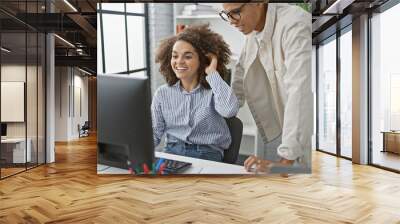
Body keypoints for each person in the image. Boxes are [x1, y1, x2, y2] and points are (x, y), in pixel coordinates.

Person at [220, 3, 313, 173]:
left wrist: (286, 162)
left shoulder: (294, 23)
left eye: (236, 12)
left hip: (307, 131)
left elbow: (300, 91)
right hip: (287, 127)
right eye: (226, 15)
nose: (232, 21)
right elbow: (239, 79)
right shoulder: (252, 31)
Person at [151, 24, 239, 162]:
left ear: (202, 60)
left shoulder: (213, 91)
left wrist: (212, 72)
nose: (179, 61)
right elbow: (155, 133)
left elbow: (229, 111)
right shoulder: (162, 94)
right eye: (175, 56)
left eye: (188, 56)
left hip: (207, 154)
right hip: (172, 152)